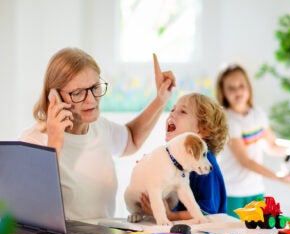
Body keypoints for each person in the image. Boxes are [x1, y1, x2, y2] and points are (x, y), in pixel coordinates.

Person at [19, 47, 175, 220]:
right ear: (54, 96)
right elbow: (29, 208)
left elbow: (131, 138)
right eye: (77, 93)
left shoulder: (100, 128)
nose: (91, 100)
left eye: (95, 87)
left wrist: (161, 99)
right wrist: (55, 143)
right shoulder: (32, 141)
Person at [215, 64, 290, 218]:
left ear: (248, 87)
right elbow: (245, 161)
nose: (237, 91)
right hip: (232, 193)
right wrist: (278, 177)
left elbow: (272, 146)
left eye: (241, 85)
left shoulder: (258, 114)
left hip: (256, 190)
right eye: (231, 88)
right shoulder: (228, 120)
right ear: (223, 92)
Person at [140, 93, 229, 221]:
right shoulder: (175, 162)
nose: (172, 114)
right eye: (172, 109)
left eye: (182, 111)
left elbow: (209, 212)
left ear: (202, 130)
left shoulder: (206, 166)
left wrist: (170, 216)